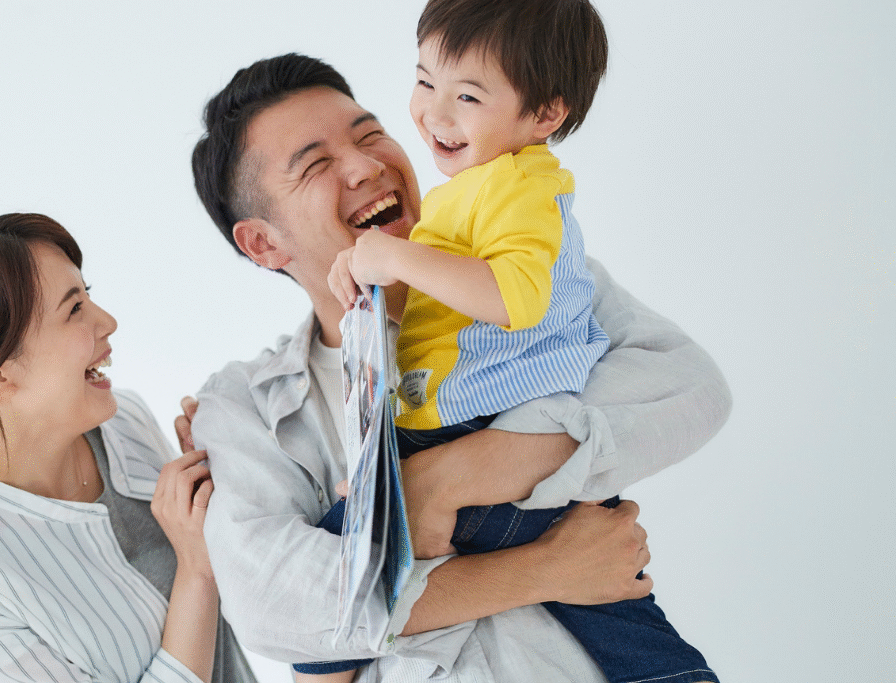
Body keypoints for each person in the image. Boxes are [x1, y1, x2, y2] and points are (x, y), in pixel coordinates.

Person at [185, 52, 730, 682]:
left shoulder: (532, 278)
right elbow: (278, 608)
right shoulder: (243, 407)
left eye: (369, 135)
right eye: (316, 165)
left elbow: (690, 389)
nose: (367, 166)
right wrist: (551, 567)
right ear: (263, 242)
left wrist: (443, 480)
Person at [0, 213, 255, 683]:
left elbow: (240, 607)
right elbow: (200, 573)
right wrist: (196, 572)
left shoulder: (124, 421)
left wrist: (225, 479)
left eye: (88, 296)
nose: (107, 321)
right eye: (73, 310)